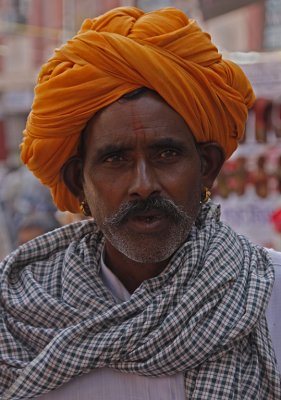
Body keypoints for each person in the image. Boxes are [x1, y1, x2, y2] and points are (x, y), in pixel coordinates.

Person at [0, 6, 280, 400]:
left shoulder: (270, 297)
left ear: (207, 168)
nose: (144, 185)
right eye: (115, 159)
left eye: (166, 154)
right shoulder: (17, 317)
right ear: (77, 182)